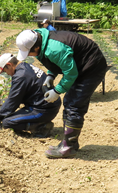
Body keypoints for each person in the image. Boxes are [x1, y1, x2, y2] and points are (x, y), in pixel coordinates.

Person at [16, 27, 108, 158]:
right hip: (80, 64)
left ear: (35, 48)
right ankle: (68, 143)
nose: (30, 55)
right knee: (70, 102)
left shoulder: (54, 49)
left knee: (74, 105)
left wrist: (57, 91)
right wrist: (50, 75)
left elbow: (70, 73)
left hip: (91, 67)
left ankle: (69, 147)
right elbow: (57, 63)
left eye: (29, 52)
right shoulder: (40, 39)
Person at [0, 53, 61, 137]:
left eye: (5, 71)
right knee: (9, 117)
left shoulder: (20, 76)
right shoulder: (26, 66)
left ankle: (41, 127)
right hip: (49, 104)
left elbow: (13, 101)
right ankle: (40, 123)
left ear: (9, 65)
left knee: (7, 122)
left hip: (43, 109)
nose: (7, 74)